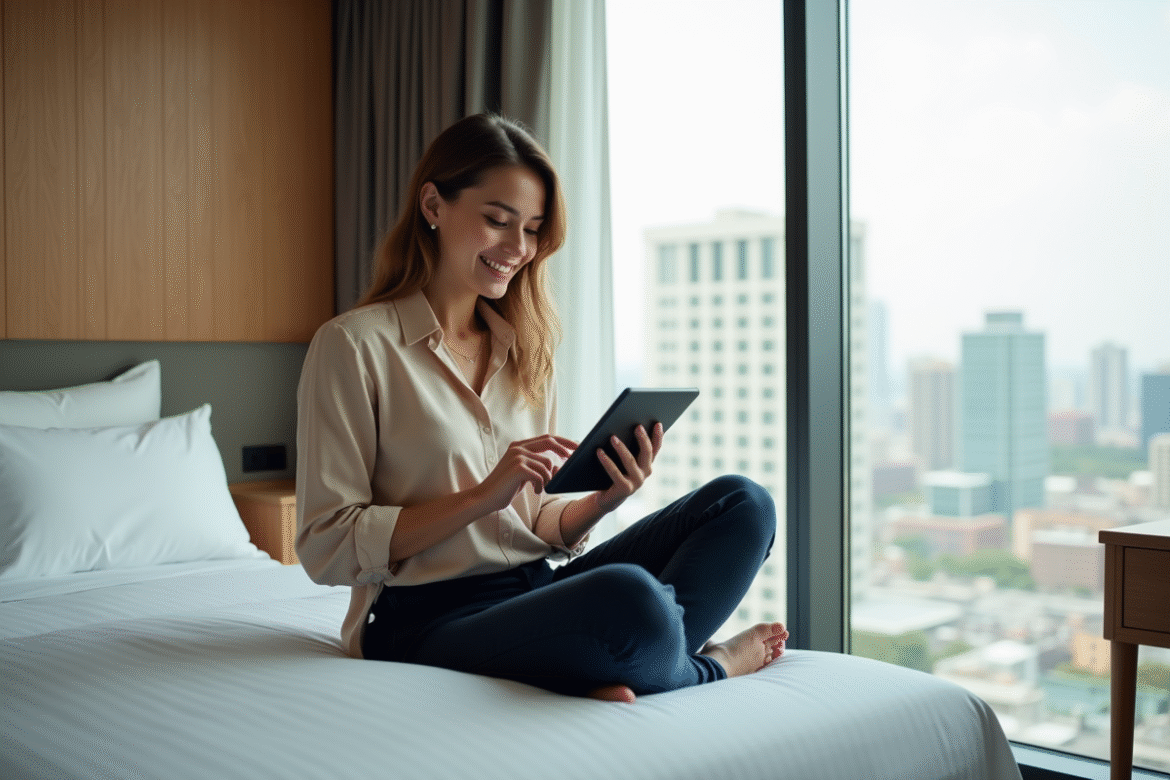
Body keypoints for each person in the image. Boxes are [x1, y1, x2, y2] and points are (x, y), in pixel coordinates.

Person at [295, 113, 786, 703]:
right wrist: (482, 495)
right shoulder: (353, 346)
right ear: (433, 204)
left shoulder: (524, 348)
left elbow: (534, 522)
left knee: (743, 503)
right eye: (498, 221)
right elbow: (325, 545)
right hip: (420, 618)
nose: (518, 249)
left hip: (533, 589)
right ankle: (710, 666)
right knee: (630, 598)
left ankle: (630, 660)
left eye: (531, 230)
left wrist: (603, 503)